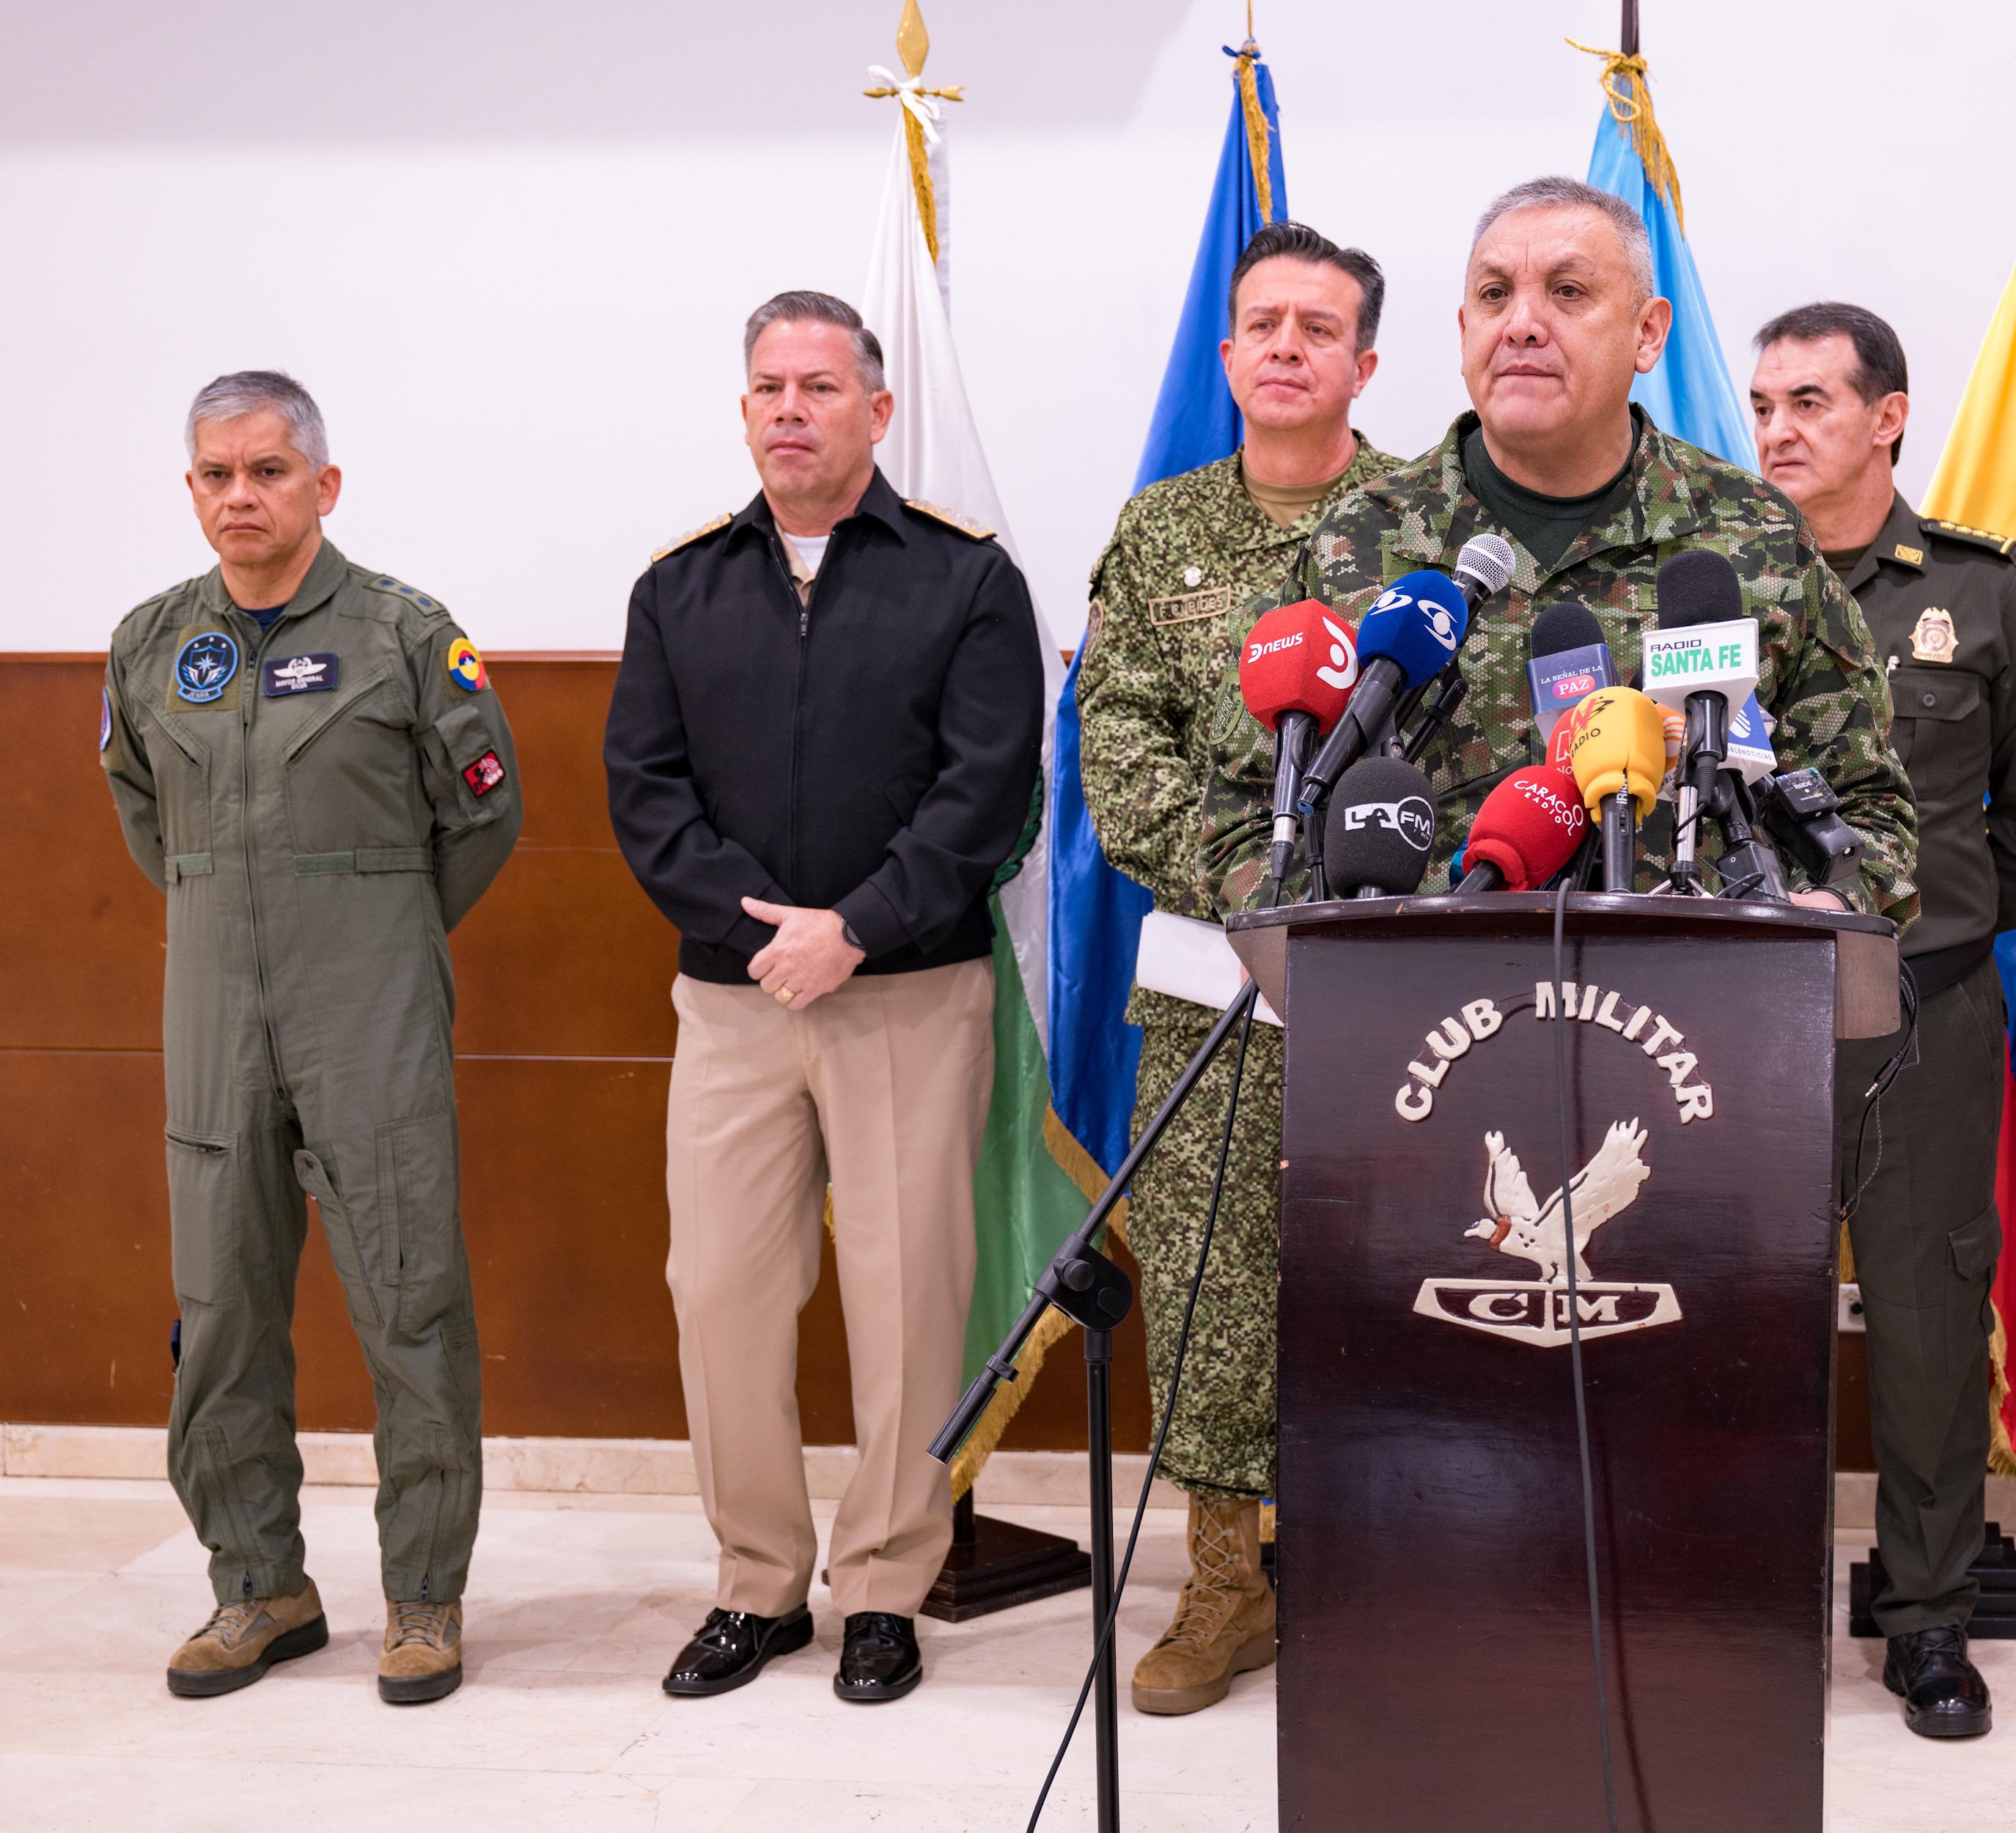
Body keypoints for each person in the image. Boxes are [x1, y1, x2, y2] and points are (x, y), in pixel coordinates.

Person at [605, 291, 1044, 1706]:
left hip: (909, 993)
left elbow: (988, 794)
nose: (790, 407)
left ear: (876, 409)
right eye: (767, 387)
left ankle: (885, 1591)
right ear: (745, 411)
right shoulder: (679, 587)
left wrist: (855, 927)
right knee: (717, 1292)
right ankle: (756, 1585)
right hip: (735, 1004)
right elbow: (647, 795)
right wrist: (770, 938)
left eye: (819, 385)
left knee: (909, 1303)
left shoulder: (967, 581)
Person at [105, 369, 523, 1705]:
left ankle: (424, 1599)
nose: (241, 495)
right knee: (222, 1310)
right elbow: (142, 816)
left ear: (323, 485)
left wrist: (376, 931)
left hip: (372, 1016)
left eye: (268, 471)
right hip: (212, 1015)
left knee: (410, 1303)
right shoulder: (152, 643)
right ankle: (258, 1587)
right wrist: (238, 920)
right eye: (216, 474)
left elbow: (484, 815)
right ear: (192, 491)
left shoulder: (407, 633)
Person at [1208, 177, 1915, 918]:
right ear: (1462, 332)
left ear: (1647, 333)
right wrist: (1325, 951)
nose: (1520, 324)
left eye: (1568, 292)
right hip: (1418, 1014)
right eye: (1492, 295)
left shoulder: (1756, 537)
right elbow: (1246, 814)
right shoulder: (1357, 540)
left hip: (1687, 1012)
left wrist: (1828, 905)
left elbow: (1864, 807)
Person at [1073, 220, 1401, 1716]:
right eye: (1260, 322)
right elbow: (1117, 741)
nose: (1285, 344)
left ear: (1362, 361)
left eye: (1315, 326)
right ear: (1228, 355)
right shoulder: (1160, 532)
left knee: (1398, 1275)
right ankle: (1223, 1585)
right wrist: (1246, 877)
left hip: (1400, 982)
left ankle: (1393, 1564)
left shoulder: (1423, 522)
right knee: (1207, 1279)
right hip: (1213, 973)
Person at [1750, 303, 2016, 1740]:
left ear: (1887, 415)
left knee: (1933, 1316)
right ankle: (1738, 1599)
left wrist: (1925, 936)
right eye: (1762, 404)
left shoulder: (1985, 595)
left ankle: (1928, 1615)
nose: (1776, 429)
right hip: (1737, 1018)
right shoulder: (1704, 595)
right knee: (1736, 1321)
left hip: (1925, 1010)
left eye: (1810, 399)